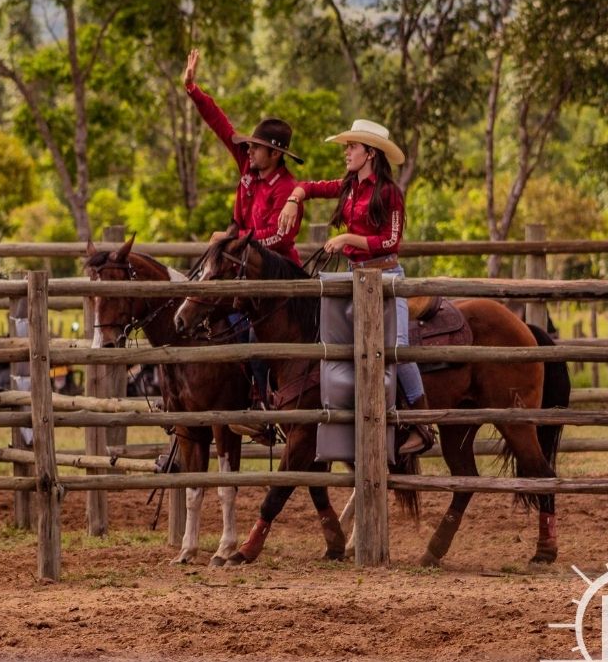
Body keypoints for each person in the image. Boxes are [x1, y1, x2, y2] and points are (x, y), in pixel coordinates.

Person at [275, 119, 434, 455]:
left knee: (397, 349)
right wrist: (294, 197)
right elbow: (312, 187)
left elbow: (390, 240)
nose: (346, 152)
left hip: (386, 277)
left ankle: (422, 423)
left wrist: (347, 238)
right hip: (354, 277)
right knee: (336, 347)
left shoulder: (389, 192)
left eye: (352, 147)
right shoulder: (348, 186)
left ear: (370, 153)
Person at [182, 49, 303, 263]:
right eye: (250, 146)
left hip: (276, 268)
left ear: (275, 153)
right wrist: (192, 89)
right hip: (246, 258)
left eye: (256, 148)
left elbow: (279, 238)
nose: (249, 151)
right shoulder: (249, 162)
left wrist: (232, 238)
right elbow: (220, 124)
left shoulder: (286, 187)